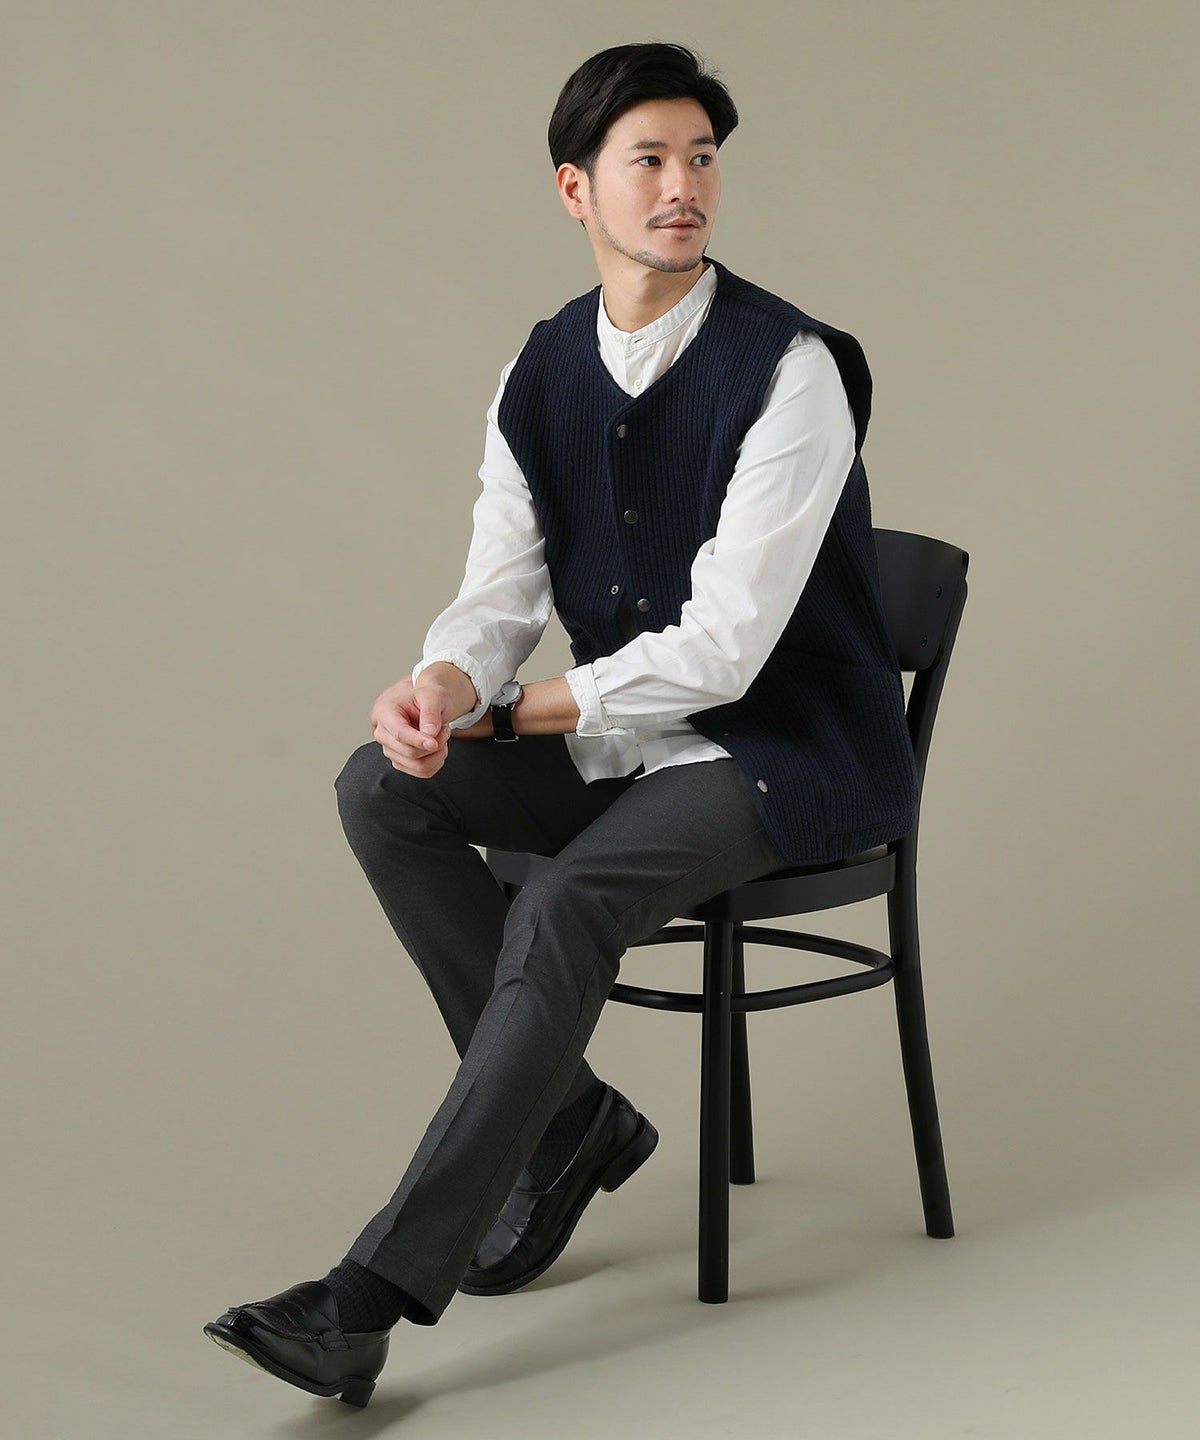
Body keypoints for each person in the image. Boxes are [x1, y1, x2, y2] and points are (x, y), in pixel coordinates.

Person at [204, 42, 918, 1408]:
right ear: (574, 188)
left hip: (791, 755)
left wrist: (521, 710)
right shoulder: (540, 371)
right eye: (649, 159)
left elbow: (728, 646)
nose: (684, 184)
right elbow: (501, 589)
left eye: (702, 157)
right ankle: (569, 1115)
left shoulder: (793, 369)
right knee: (381, 789)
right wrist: (444, 688)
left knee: (568, 896)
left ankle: (367, 1297)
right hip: (635, 743)